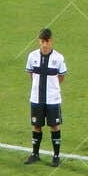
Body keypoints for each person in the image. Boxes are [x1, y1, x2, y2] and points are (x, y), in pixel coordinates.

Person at [24, 27, 68, 166]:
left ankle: (56, 156)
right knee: (36, 125)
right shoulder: (32, 56)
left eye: (47, 41)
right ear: (39, 41)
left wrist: (52, 87)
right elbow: (31, 74)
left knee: (54, 125)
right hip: (36, 98)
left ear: (51, 41)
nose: (44, 44)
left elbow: (61, 77)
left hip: (52, 99)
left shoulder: (58, 58)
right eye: (42, 41)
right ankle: (35, 154)